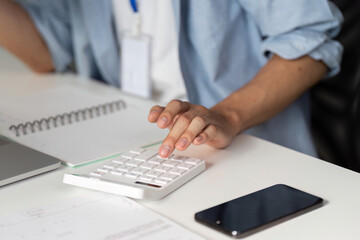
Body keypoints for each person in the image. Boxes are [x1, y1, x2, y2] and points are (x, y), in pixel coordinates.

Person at [0, 0, 343, 159]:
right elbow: (46, 49)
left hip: (236, 148)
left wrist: (227, 115)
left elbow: (312, 40)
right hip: (125, 145)